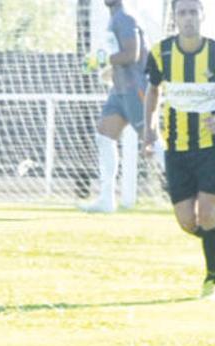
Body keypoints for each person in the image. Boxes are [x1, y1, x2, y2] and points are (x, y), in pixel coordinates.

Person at [143, 0, 215, 300]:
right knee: (188, 222)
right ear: (174, 17)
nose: (188, 18)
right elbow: (153, 92)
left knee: (206, 215)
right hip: (176, 146)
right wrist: (148, 133)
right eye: (182, 12)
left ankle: (211, 281)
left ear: (202, 15)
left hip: (214, 145)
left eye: (193, 12)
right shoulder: (161, 53)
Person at [80, 0, 153, 213]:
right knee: (104, 136)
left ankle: (189, 191)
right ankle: (106, 199)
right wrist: (107, 67)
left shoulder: (125, 17)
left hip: (135, 89)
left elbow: (133, 55)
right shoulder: (114, 18)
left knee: (152, 139)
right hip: (119, 90)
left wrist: (101, 60)